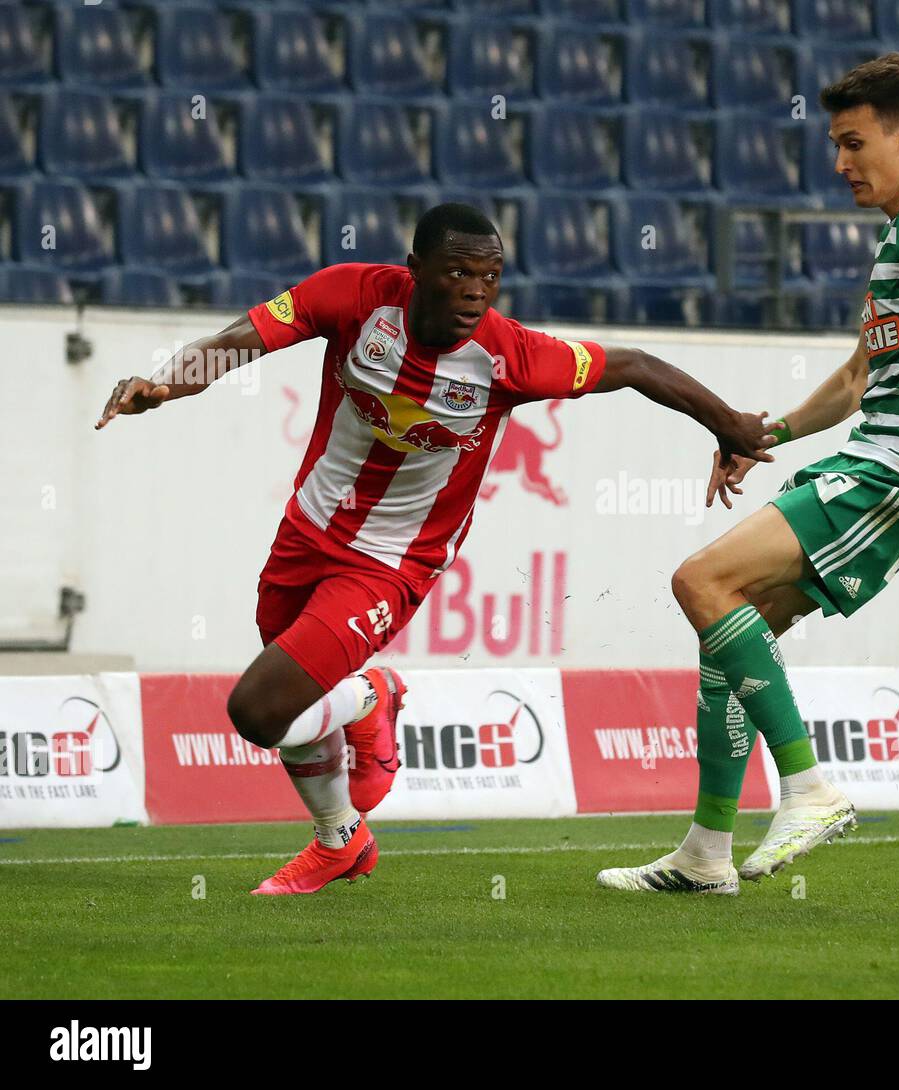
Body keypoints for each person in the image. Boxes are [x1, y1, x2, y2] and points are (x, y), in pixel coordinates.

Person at [96, 203, 775, 895]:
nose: (477, 291)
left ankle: (370, 697)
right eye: (458, 273)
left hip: (392, 564)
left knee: (259, 710)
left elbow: (632, 364)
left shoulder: (509, 355)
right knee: (294, 700)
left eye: (491, 276)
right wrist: (166, 383)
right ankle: (340, 841)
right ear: (414, 271)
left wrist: (730, 426)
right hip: (307, 529)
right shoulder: (354, 295)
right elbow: (252, 336)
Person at [598, 53, 899, 895]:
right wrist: (762, 430)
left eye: (854, 144)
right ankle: (708, 852)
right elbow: (863, 378)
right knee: (731, 631)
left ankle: (809, 788)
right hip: (885, 457)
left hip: (897, 469)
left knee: (700, 582)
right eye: (835, 144)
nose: (840, 163)